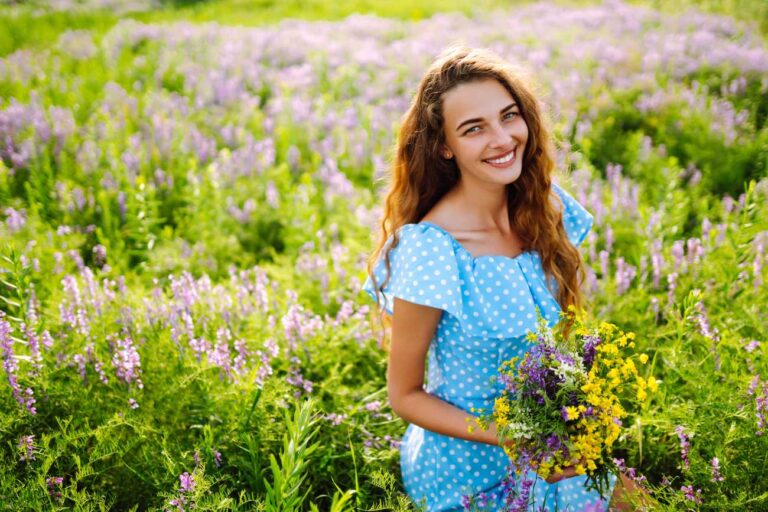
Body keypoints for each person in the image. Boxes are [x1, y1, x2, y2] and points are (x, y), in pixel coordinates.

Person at [362, 47, 647, 511]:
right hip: (467, 464)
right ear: (444, 146)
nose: (502, 139)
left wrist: (579, 415)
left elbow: (553, 346)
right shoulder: (431, 250)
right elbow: (405, 395)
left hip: (548, 441)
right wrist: (519, 441)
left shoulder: (543, 206)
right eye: (474, 128)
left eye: (508, 116)